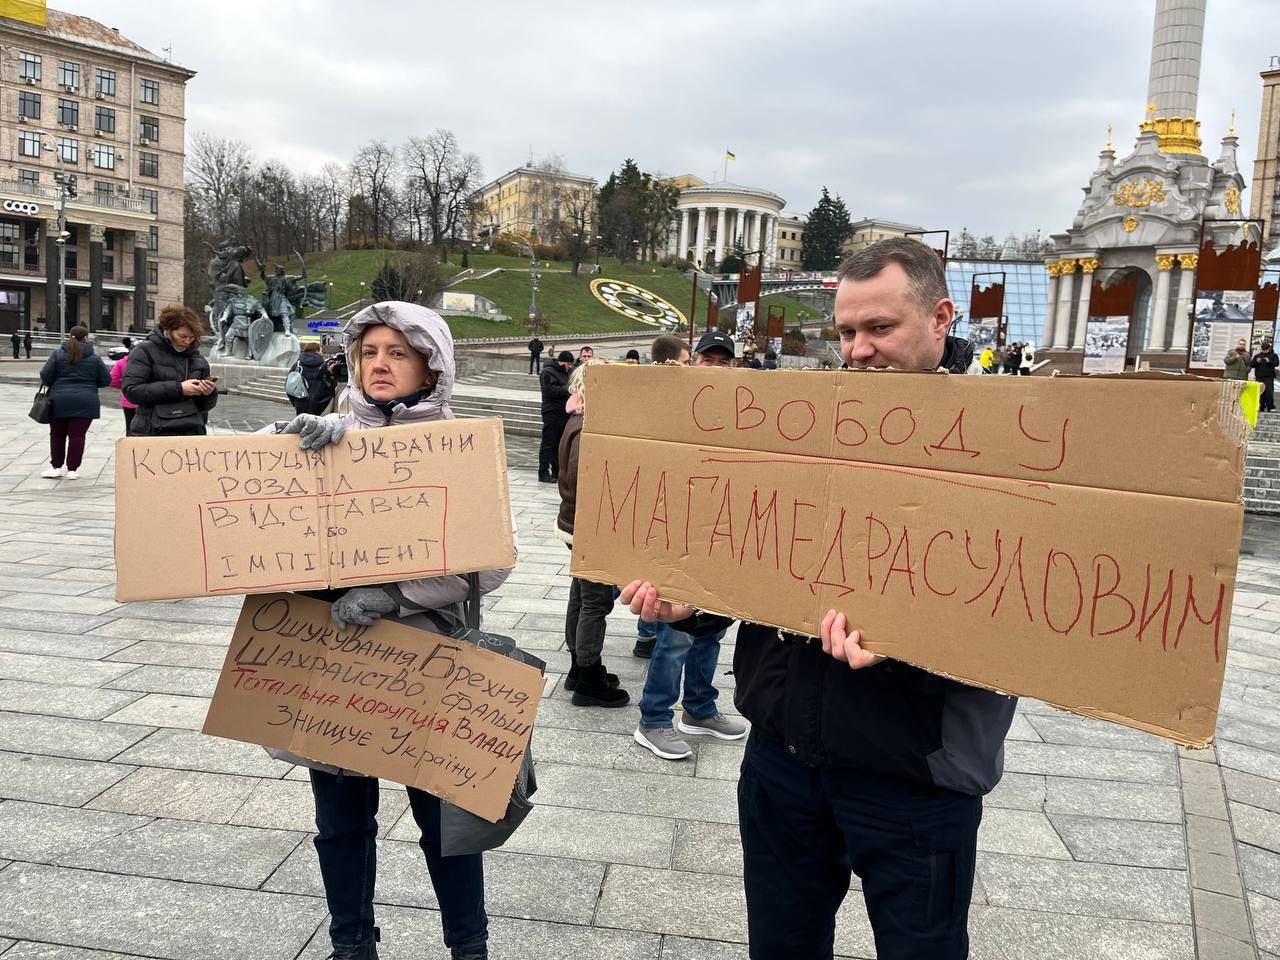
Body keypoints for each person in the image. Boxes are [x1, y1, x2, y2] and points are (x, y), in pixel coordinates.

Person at [623, 238, 1014, 959]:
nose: (858, 351)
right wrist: (696, 605)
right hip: (785, 759)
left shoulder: (1007, 444)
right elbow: (756, 556)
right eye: (845, 332)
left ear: (940, 318)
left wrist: (904, 648)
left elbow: (1021, 619)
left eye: (879, 329)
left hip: (916, 776)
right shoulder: (807, 421)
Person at [266, 301, 505, 960]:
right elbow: (247, 511)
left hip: (426, 660)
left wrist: (397, 593)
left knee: (444, 821)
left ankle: (468, 944)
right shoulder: (327, 433)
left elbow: (491, 563)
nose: (380, 364)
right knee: (340, 820)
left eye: (397, 353)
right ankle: (351, 941)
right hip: (331, 658)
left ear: (431, 365)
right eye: (369, 352)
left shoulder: (461, 443)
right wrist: (284, 444)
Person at [632, 330, 746, 760]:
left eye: (723, 360)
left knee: (713, 631)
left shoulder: (742, 411)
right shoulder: (672, 406)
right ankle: (654, 718)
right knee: (675, 635)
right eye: (707, 359)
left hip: (722, 540)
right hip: (676, 539)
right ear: (691, 363)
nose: (715, 367)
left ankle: (699, 708)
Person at [557, 360, 628, 707]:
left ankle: (577, 667)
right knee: (595, 603)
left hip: (577, 526)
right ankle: (588, 675)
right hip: (591, 529)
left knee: (580, 596)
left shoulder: (578, 419)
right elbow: (588, 484)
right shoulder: (588, 428)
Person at [633, 334, 693, 659]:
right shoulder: (652, 403)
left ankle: (646, 633)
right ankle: (656, 711)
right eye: (687, 363)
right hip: (661, 517)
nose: (692, 369)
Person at [121, 305, 218, 436]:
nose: (187, 342)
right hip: (152, 431)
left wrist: (208, 393)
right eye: (182, 336)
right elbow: (132, 391)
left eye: (192, 337)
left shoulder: (198, 359)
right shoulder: (144, 351)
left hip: (190, 431)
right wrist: (179, 389)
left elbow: (203, 407)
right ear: (168, 330)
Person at [38, 325, 109, 479]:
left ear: (70, 337)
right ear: (86, 338)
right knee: (78, 436)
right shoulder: (95, 358)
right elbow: (105, 380)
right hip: (86, 401)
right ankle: (72, 470)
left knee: (57, 435)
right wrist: (90, 384)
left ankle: (56, 467)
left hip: (59, 401)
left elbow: (46, 376)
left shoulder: (57, 354)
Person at [538, 350, 573, 483]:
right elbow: (549, 391)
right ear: (563, 362)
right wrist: (567, 389)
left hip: (564, 412)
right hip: (551, 412)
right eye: (568, 364)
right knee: (548, 443)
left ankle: (557, 472)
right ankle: (543, 472)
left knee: (559, 444)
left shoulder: (567, 373)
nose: (570, 367)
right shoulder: (548, 372)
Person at [291, 341, 336, 415]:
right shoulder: (323, 365)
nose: (322, 353)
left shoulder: (297, 365)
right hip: (318, 402)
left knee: (301, 423)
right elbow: (328, 384)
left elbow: (290, 385)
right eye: (321, 351)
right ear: (317, 351)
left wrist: (295, 401)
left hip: (300, 402)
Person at [109, 348, 137, 434]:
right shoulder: (150, 362)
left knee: (129, 426)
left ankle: (129, 446)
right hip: (148, 401)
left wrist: (124, 387)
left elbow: (112, 380)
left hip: (128, 400)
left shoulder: (121, 363)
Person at [1253, 339, 1278, 412]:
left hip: (1269, 377)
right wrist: (1256, 361)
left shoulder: (1274, 355)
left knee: (1269, 393)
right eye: (1263, 350)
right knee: (1260, 393)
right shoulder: (1257, 356)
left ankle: (1270, 407)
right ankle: (1261, 407)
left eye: (1266, 350)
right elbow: (1252, 364)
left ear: (1269, 349)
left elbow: (1276, 363)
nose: (1264, 351)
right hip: (1259, 377)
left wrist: (1269, 361)